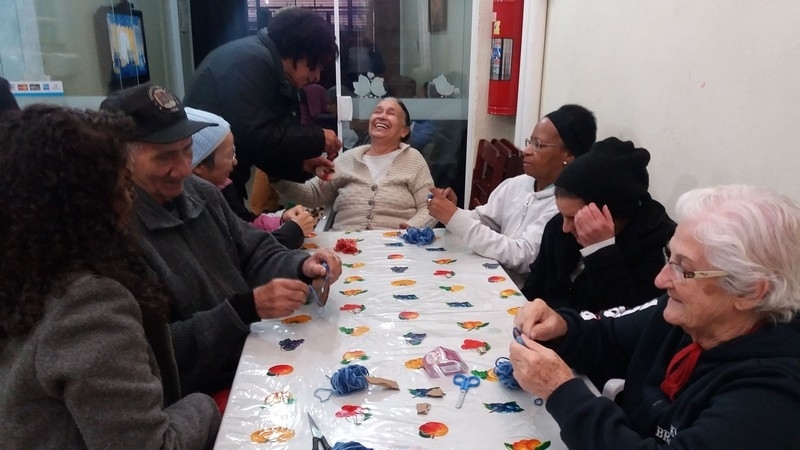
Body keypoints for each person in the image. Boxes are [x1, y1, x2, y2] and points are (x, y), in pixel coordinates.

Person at [510, 184, 800, 448]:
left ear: (750, 292)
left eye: (683, 268)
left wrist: (561, 391)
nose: (661, 280)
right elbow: (609, 339)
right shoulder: (688, 314)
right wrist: (561, 327)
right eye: (669, 257)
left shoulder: (772, 395)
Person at [100, 83, 342, 398]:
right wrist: (242, 310)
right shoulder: (110, 232)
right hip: (199, 395)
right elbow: (149, 355)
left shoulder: (201, 193)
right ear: (119, 159)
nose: (185, 168)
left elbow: (255, 250)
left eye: (187, 150)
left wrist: (301, 266)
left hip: (249, 357)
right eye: (165, 157)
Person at [0, 105, 220, 448]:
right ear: (89, 202)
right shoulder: (87, 305)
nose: (129, 195)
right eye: (121, 182)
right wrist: (207, 405)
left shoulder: (25, 278)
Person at [184, 6, 342, 201]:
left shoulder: (262, 61)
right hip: (204, 185)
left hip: (219, 182)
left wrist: (301, 163)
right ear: (300, 51)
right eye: (316, 65)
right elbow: (257, 136)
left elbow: (262, 145)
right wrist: (318, 137)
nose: (317, 76)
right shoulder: (251, 62)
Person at [428, 104, 597, 286]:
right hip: (489, 276)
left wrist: (454, 217)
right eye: (530, 142)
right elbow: (484, 218)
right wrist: (453, 211)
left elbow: (523, 256)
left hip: (521, 292)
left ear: (568, 155)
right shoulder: (517, 184)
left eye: (538, 145)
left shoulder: (564, 207)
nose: (526, 151)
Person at [521, 137, 675, 312]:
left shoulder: (659, 245)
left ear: (611, 212)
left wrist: (601, 250)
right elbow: (533, 289)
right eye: (563, 215)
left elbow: (630, 318)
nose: (565, 227)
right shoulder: (558, 228)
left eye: (574, 218)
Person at [272, 97, 436, 231]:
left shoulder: (413, 160)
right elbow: (313, 194)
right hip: (344, 247)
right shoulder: (348, 159)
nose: (381, 116)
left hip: (395, 249)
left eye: (390, 113)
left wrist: (410, 229)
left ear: (404, 131)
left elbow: (430, 207)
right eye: (377, 112)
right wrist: (276, 174)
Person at [186, 107, 315, 249]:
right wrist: (291, 234)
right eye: (229, 155)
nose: (235, 162)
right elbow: (238, 251)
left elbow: (245, 224)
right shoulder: (193, 212)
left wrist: (281, 219)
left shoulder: (223, 187)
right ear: (198, 165)